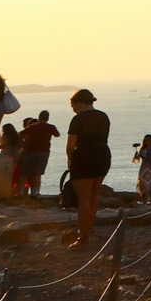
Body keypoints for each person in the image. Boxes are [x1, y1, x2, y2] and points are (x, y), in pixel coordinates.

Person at [63, 88, 110, 248]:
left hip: (84, 155)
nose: (74, 109)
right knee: (94, 195)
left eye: (74, 105)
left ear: (79, 102)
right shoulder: (103, 117)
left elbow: (70, 145)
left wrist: (70, 160)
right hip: (103, 154)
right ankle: (89, 229)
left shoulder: (78, 119)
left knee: (83, 198)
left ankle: (83, 236)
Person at [16, 110, 59, 198]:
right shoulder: (50, 127)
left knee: (23, 173)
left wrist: (23, 144)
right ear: (47, 118)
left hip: (30, 152)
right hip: (44, 152)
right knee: (37, 173)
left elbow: (20, 134)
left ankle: (20, 193)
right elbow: (57, 135)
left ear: (39, 117)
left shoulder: (32, 127)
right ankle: (34, 194)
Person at [133, 134, 151, 204]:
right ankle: (144, 200)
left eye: (148, 140)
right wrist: (136, 155)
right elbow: (137, 159)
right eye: (145, 140)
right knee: (143, 183)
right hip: (144, 168)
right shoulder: (142, 148)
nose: (146, 142)